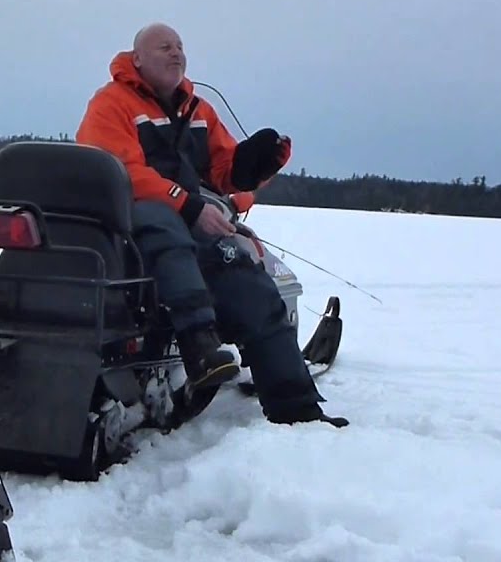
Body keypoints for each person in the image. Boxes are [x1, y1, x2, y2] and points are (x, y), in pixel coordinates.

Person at [75, 22, 348, 428]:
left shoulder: (197, 110)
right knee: (161, 220)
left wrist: (252, 168)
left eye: (180, 47)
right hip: (131, 227)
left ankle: (299, 412)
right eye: (164, 47)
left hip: (188, 224)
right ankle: (199, 345)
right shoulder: (112, 104)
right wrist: (186, 206)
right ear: (137, 60)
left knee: (254, 289)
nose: (176, 53)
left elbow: (223, 169)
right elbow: (120, 172)